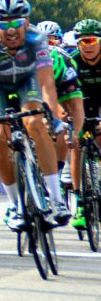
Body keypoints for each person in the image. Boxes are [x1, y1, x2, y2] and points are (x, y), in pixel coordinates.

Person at [0, 0, 71, 231]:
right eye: (4, 25)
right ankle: (15, 205)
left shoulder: (37, 39)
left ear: (27, 22)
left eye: (17, 23)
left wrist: (53, 117)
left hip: (28, 81)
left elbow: (46, 83)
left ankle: (56, 200)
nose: (11, 30)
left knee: (35, 122)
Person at [68, 19, 101, 229]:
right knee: (77, 145)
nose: (87, 46)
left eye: (91, 40)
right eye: (82, 42)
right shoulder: (72, 61)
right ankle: (80, 202)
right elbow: (65, 94)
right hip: (81, 100)